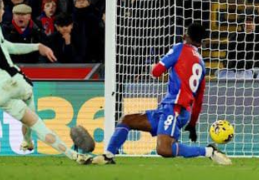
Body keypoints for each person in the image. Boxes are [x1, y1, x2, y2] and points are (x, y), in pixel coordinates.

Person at [0, 0, 92, 164]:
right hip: (10, 79)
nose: (4, 11)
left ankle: (51, 149)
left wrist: (37, 46)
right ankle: (34, 141)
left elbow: (8, 47)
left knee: (34, 122)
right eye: (2, 8)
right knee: (30, 99)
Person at [94, 23, 232, 165]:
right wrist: (192, 123)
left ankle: (209, 151)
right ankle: (108, 156)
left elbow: (156, 72)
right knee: (127, 120)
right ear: (201, 43)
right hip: (173, 109)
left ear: (186, 36)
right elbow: (200, 98)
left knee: (164, 149)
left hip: (175, 108)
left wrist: (151, 66)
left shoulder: (180, 48)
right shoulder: (202, 64)